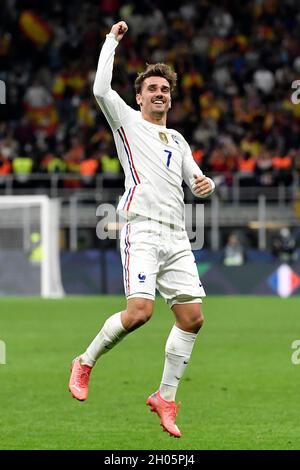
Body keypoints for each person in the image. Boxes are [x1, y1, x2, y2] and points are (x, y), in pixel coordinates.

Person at [69, 21, 215, 438]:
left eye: (165, 89)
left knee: (192, 318)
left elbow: (198, 183)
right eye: (152, 89)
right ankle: (85, 361)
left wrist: (206, 186)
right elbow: (99, 89)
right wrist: (111, 41)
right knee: (141, 313)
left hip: (176, 234)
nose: (159, 94)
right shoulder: (127, 123)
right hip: (141, 229)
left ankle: (165, 397)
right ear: (139, 97)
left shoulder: (178, 140)